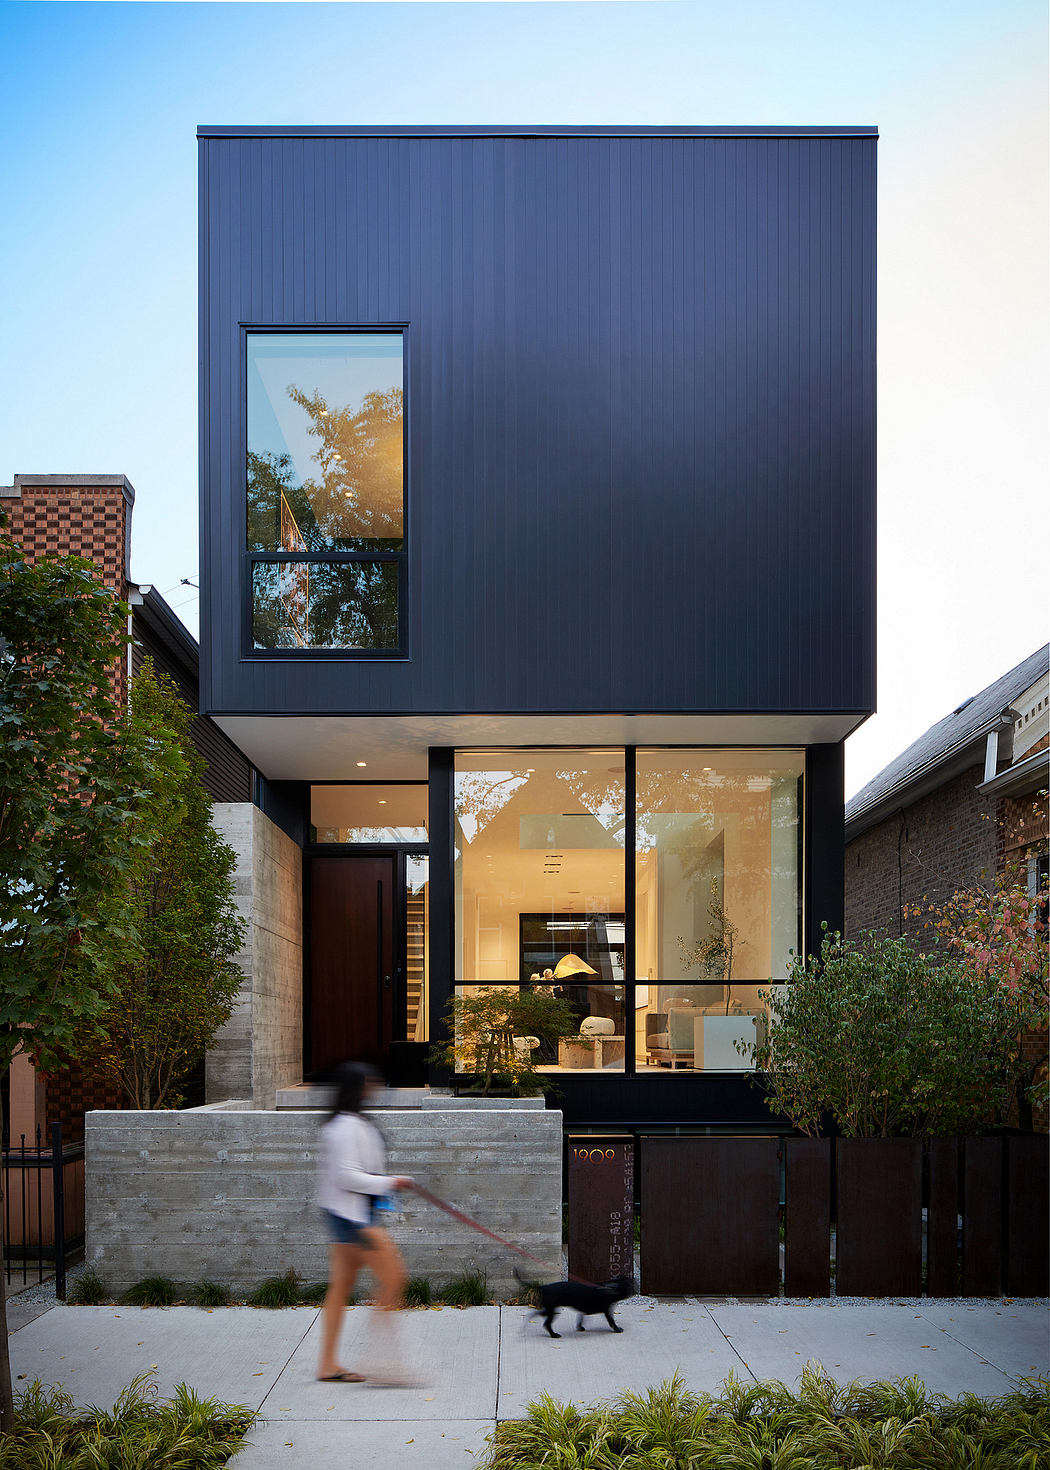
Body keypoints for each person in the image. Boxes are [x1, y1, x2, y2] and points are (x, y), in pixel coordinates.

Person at [315, 1061, 414, 1384]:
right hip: (354, 1219)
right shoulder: (344, 1127)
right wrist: (391, 1182)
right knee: (394, 1279)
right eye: (369, 1083)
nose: (375, 1087)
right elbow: (346, 1176)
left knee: (340, 1288)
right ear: (357, 1087)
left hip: (346, 1215)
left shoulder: (345, 1123)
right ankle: (382, 1361)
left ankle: (328, 1364)